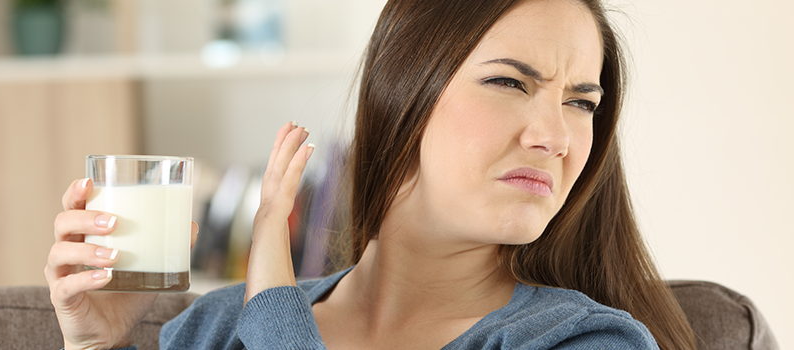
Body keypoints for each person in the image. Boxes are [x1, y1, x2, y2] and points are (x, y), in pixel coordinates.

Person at [45, 0, 698, 349]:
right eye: (509, 82)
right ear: (401, 93)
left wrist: (275, 308)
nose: (555, 137)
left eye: (580, 101)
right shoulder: (216, 328)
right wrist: (97, 347)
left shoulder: (582, 343)